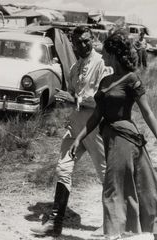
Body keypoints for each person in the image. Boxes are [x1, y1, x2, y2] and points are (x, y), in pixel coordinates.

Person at [69, 29, 157, 240]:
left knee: (132, 186)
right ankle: (118, 232)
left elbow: (147, 112)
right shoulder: (105, 81)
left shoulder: (131, 79)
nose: (102, 54)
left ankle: (122, 233)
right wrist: (79, 137)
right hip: (111, 139)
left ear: (114, 53)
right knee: (136, 185)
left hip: (127, 139)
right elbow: (96, 116)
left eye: (106, 51)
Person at [30, 26, 112, 236]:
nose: (83, 45)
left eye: (86, 41)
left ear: (92, 39)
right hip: (75, 126)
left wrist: (74, 99)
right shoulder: (75, 67)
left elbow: (102, 100)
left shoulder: (102, 64)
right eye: (78, 42)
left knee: (105, 174)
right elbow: (74, 94)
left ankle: (111, 222)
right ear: (73, 44)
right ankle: (55, 223)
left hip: (94, 126)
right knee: (63, 168)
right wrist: (66, 98)